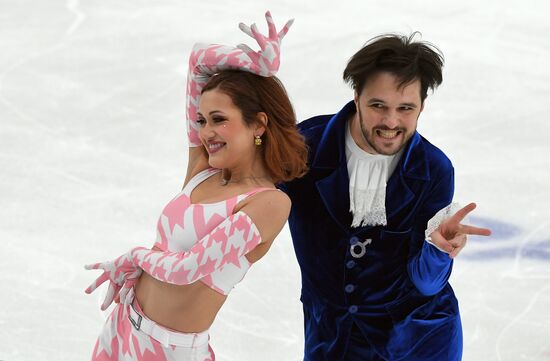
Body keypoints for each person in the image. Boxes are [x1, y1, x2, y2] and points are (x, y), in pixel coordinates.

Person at [84, 12, 306, 361]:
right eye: (203, 120)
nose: (205, 133)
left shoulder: (269, 203)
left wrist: (134, 257)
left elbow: (188, 270)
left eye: (219, 120)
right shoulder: (203, 169)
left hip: (170, 352)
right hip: (123, 326)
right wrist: (254, 63)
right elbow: (198, 59)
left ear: (258, 125)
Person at [277, 33, 492, 360]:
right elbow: (249, 185)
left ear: (422, 105)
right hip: (332, 339)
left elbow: (426, 284)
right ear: (356, 95)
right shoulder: (306, 147)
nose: (391, 122)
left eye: (406, 108)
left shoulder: (433, 170)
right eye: (378, 106)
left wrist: (437, 249)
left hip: (417, 343)